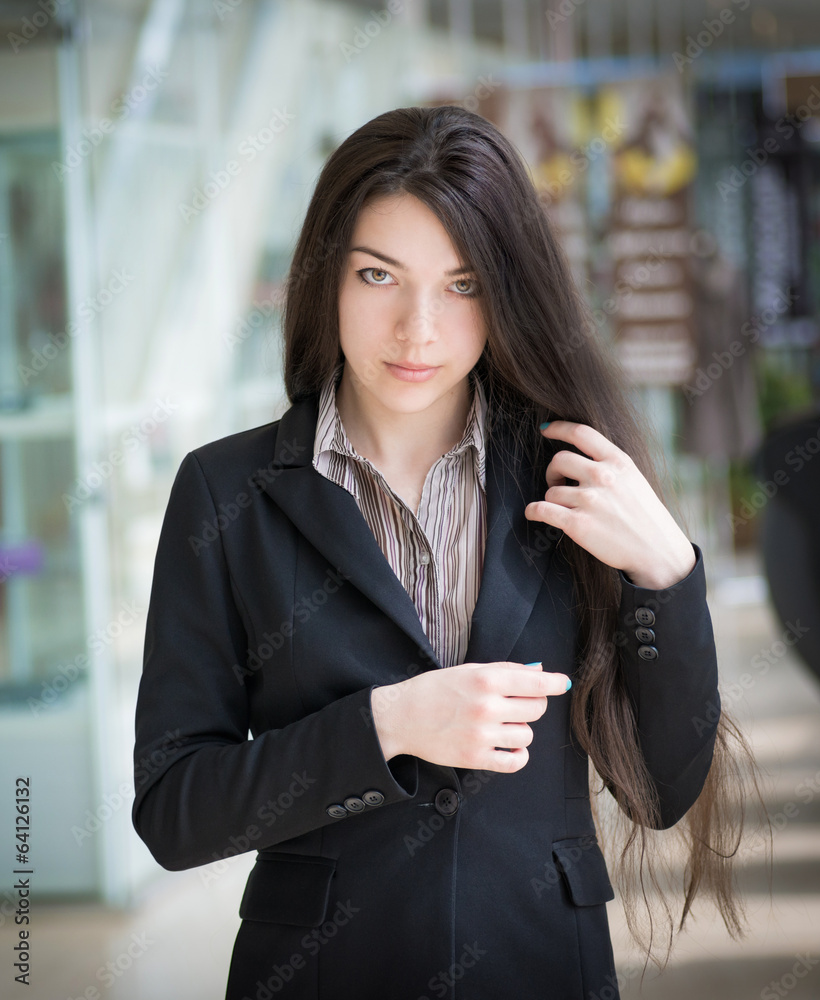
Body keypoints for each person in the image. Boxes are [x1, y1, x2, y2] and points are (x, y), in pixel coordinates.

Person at [131, 105, 756, 1000]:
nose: (417, 329)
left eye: (461, 285)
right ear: (324, 280)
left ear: (506, 293)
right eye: (379, 275)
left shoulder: (572, 478)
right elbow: (175, 810)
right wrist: (387, 729)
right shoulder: (224, 494)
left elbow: (661, 793)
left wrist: (667, 578)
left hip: (540, 963)